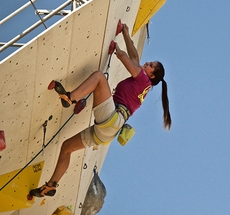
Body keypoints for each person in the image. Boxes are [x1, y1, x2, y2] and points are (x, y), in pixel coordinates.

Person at [30, 24, 171, 197]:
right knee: (66, 147)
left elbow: (126, 57)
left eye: (150, 65)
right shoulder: (143, 84)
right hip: (107, 133)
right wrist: (125, 33)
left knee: (98, 77)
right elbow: (134, 55)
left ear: (152, 75)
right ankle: (51, 185)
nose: (146, 63)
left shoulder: (143, 80)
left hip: (112, 119)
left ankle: (70, 97)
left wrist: (116, 49)